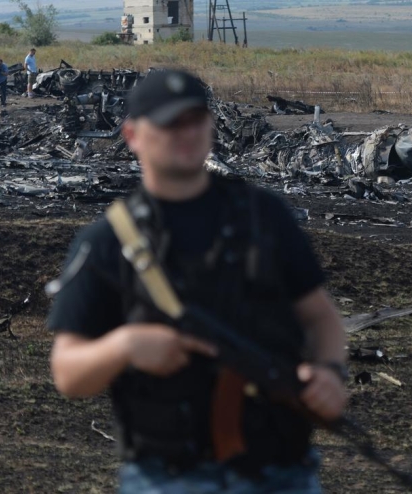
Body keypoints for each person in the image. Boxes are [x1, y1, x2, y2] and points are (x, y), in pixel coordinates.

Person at [48, 69, 348, 493]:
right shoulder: (108, 242)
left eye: (195, 120)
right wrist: (126, 346)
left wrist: (329, 372)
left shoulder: (265, 217)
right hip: (167, 477)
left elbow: (321, 318)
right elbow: (68, 372)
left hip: (282, 473)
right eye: (169, 123)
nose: (185, 133)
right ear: (132, 135)